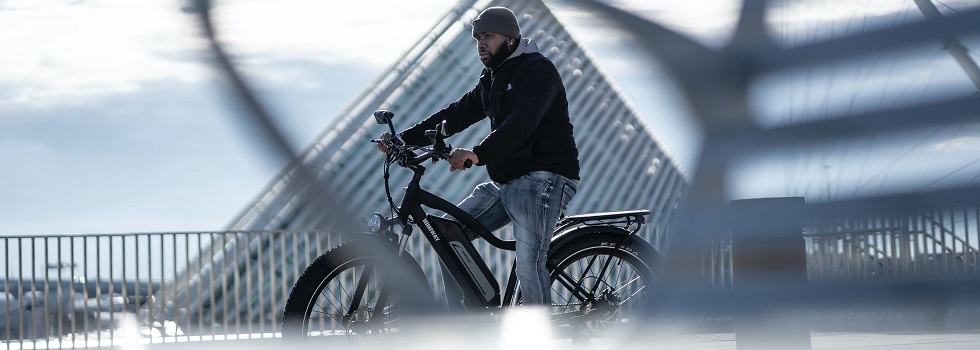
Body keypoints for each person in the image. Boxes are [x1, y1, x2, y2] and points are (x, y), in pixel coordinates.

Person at [378, 6, 580, 309]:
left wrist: (478, 152)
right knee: (447, 239)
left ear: (510, 39)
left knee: (529, 262)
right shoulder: (491, 79)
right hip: (507, 183)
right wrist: (402, 139)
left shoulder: (538, 70)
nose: (481, 43)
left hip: (544, 180)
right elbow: (455, 115)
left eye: (489, 36)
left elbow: (524, 121)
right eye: (477, 38)